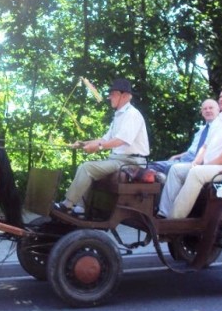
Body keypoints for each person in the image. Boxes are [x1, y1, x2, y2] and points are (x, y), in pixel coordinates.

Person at [54, 78, 150, 215]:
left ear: (124, 96)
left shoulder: (132, 114)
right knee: (88, 166)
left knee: (87, 168)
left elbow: (120, 140)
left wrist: (98, 147)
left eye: (113, 94)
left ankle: (67, 204)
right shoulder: (119, 115)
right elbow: (105, 139)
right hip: (118, 159)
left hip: (131, 162)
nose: (109, 97)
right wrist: (83, 143)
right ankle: (81, 208)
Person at [158, 82, 222, 219]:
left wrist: (204, 166)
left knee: (196, 173)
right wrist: (195, 163)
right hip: (213, 167)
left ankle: (174, 219)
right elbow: (205, 146)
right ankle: (164, 214)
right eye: (221, 96)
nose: (221, 99)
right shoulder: (219, 120)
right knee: (176, 169)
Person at [149, 99, 220, 177]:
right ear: (202, 112)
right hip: (185, 158)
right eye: (205, 109)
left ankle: (162, 177)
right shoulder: (201, 130)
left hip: (198, 161)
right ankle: (159, 176)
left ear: (218, 109)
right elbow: (193, 150)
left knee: (170, 168)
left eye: (210, 108)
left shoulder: (221, 128)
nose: (208, 110)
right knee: (151, 165)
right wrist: (177, 156)